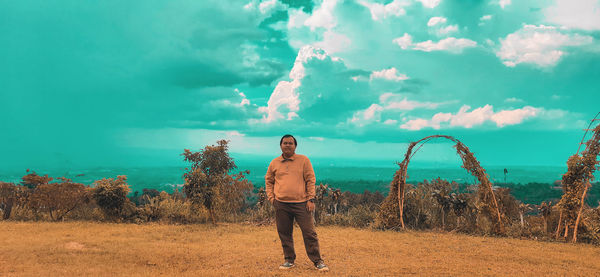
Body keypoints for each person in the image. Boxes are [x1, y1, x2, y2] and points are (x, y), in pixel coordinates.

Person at [265, 134, 329, 271]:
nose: (287, 145)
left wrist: (311, 199)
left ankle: (318, 261)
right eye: (285, 143)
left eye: (290, 143)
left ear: (295, 146)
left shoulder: (303, 160)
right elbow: (269, 181)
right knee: (284, 233)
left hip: (302, 203)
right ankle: (289, 260)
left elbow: (311, 180)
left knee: (309, 232)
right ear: (280, 145)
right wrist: (272, 198)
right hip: (281, 204)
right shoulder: (274, 163)